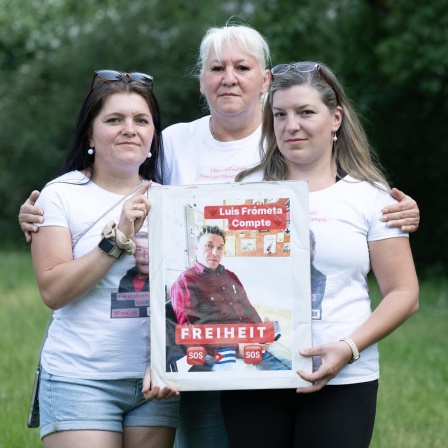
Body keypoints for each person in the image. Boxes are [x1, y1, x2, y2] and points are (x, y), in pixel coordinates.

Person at [18, 24, 421, 448]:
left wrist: (402, 211)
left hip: (257, 362)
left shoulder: (278, 154)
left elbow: (335, 202)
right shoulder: (174, 144)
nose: (229, 77)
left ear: (265, 81)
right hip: (181, 356)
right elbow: (121, 183)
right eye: (217, 67)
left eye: (242, 67)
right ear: (202, 79)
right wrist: (42, 212)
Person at [219, 61, 420, 447]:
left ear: (336, 119)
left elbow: (404, 294)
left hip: (344, 380)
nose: (290, 125)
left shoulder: (372, 198)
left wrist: (348, 348)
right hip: (254, 373)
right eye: (280, 114)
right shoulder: (243, 192)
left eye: (305, 112)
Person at [30, 70, 179, 447]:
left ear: (152, 139)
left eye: (140, 120)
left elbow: (181, 294)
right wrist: (118, 239)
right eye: (114, 120)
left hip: (154, 379)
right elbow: (54, 290)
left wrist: (169, 360)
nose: (129, 129)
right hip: (80, 377)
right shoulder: (61, 195)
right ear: (90, 136)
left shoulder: (173, 201)